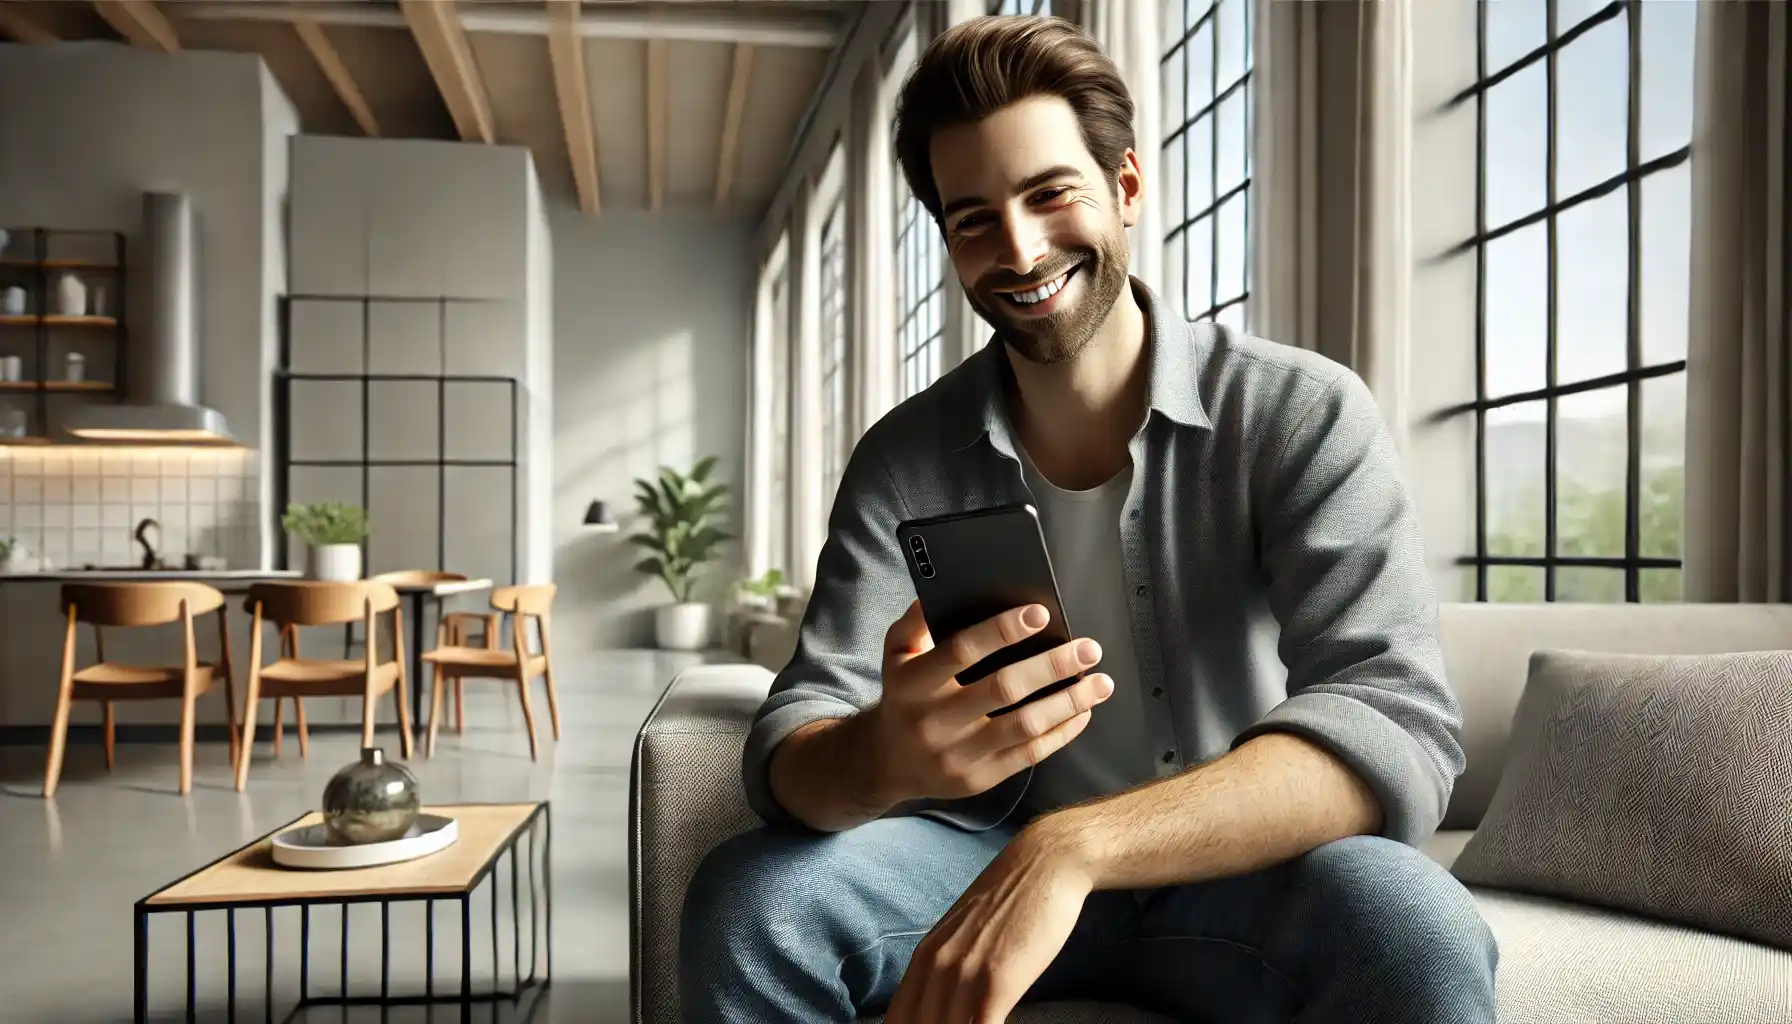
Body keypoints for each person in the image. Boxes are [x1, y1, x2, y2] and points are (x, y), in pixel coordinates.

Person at [680, 14, 1497, 1024]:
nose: (1018, 250)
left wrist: (1074, 846)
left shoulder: (1301, 413)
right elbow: (794, 738)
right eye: (972, 218)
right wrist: (883, 753)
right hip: (966, 859)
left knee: (1417, 926)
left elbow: (1392, 715)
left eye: (1048, 193)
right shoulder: (901, 459)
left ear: (1125, 186)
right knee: (753, 900)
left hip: (1239, 867)